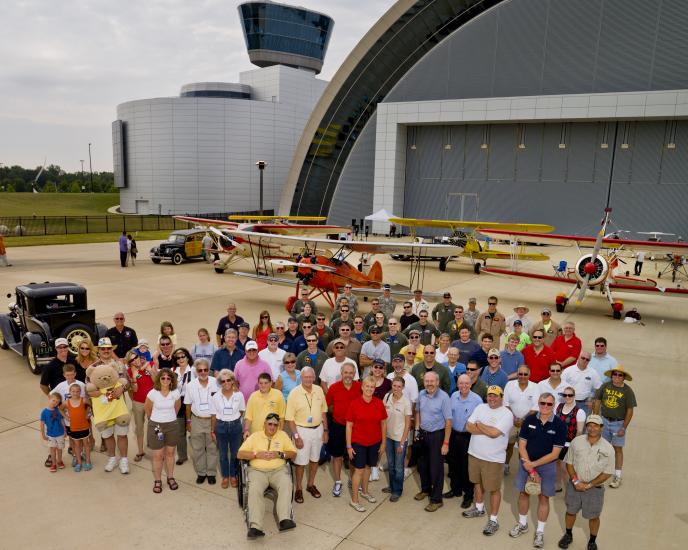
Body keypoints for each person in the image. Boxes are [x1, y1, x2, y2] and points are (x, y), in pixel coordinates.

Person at [508, 392, 566, 548]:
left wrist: (533, 466)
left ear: (553, 405)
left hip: (546, 467)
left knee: (544, 498)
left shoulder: (560, 425)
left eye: (549, 404)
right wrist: (530, 467)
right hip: (526, 463)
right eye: (542, 403)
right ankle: (522, 524)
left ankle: (540, 532)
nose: (545, 406)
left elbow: (555, 453)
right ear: (538, 403)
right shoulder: (530, 419)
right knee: (523, 493)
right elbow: (522, 445)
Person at [462, 386, 514, 536]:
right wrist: (487, 429)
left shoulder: (506, 414)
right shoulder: (480, 407)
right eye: (490, 396)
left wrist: (480, 425)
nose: (492, 399)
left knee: (493, 489)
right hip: (474, 454)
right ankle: (479, 508)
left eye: (495, 396)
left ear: (501, 397)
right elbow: (468, 427)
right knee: (477, 482)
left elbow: (494, 433)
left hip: (493, 459)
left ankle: (493, 520)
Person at [557, 415, 614, 550]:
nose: (592, 428)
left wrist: (589, 485)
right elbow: (569, 463)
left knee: (594, 516)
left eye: (596, 425)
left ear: (601, 427)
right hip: (575, 485)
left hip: (595, 488)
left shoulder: (608, 448)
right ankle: (568, 535)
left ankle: (592, 541)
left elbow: (607, 473)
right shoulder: (576, 442)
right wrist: (576, 482)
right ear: (586, 426)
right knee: (570, 511)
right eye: (590, 425)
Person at [237, 413, 298, 539]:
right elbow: (240, 454)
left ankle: (285, 519)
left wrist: (280, 454)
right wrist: (255, 455)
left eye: (275, 425)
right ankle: (255, 527)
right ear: (264, 424)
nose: (272, 427)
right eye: (270, 424)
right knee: (254, 489)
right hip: (257, 471)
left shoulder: (283, 435)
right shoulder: (255, 436)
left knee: (286, 483)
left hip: (278, 470)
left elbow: (293, 453)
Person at [285, 367, 328, 503]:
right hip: (301, 430)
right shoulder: (294, 393)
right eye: (305, 377)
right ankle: (298, 488)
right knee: (300, 463)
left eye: (310, 377)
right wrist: (296, 437)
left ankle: (310, 485)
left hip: (318, 430)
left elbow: (323, 412)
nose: (308, 379)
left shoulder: (319, 390)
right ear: (301, 378)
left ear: (314, 377)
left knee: (315, 460)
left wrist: (326, 430)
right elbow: (290, 418)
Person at [346, 376, 387, 512]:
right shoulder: (355, 403)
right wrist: (349, 446)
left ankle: (365, 492)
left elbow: (383, 423)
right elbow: (349, 426)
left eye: (372, 387)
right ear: (362, 387)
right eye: (367, 386)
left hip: (374, 442)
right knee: (359, 470)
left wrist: (383, 443)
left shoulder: (379, 403)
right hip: (358, 442)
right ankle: (354, 500)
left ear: (374, 389)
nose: (369, 389)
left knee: (369, 467)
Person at [414, 371, 452, 512]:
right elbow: (418, 412)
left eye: (432, 381)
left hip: (437, 436)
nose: (429, 384)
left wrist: (446, 443)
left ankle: (436, 499)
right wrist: (417, 430)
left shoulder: (444, 397)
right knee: (422, 465)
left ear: (437, 382)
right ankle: (425, 490)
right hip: (423, 434)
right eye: (427, 381)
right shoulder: (422, 394)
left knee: (436, 468)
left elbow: (449, 421)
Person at [593, 365, 637, 489]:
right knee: (601, 448)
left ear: (623, 378)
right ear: (612, 375)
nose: (617, 377)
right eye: (615, 374)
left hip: (618, 423)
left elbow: (630, 410)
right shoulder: (605, 386)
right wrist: (595, 418)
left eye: (620, 375)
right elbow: (597, 400)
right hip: (604, 421)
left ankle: (617, 475)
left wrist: (624, 427)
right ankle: (599, 475)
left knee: (617, 449)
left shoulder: (627, 391)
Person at [445, 374, 483, 508]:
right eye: (461, 383)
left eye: (467, 383)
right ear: (457, 384)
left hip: (468, 437)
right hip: (454, 435)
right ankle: (455, 489)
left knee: (467, 467)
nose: (464, 386)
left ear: (471, 384)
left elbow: (480, 421)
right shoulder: (453, 396)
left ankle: (468, 495)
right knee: (453, 464)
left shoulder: (477, 400)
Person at [325, 362, 362, 497]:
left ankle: (353, 479)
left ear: (354, 374)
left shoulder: (359, 387)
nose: (348, 375)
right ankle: (338, 481)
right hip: (338, 426)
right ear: (341, 373)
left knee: (354, 456)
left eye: (351, 373)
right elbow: (327, 406)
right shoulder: (334, 388)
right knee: (337, 456)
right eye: (346, 372)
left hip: (355, 427)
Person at [145, 368, 181, 493]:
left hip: (172, 425)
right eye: (163, 378)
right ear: (159, 379)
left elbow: (177, 407)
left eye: (168, 378)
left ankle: (170, 477)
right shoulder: (153, 393)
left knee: (170, 454)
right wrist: (156, 420)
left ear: (171, 381)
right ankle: (158, 480)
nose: (165, 380)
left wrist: (169, 418)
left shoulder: (175, 393)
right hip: (157, 426)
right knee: (158, 455)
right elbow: (147, 409)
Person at [185, 358, 219, 484]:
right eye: (200, 370)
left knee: (212, 448)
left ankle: (211, 473)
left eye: (205, 370)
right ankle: (201, 472)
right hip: (197, 420)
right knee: (198, 448)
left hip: (212, 420)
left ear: (208, 370)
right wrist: (188, 422)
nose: (203, 372)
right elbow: (188, 405)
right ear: (196, 371)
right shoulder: (190, 385)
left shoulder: (216, 382)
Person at [210, 369, 245, 488]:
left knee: (235, 454)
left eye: (228, 380)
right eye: (223, 381)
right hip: (220, 426)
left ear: (232, 380)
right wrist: (212, 430)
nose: (226, 383)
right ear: (220, 382)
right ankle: (225, 476)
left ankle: (233, 475)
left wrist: (233, 419)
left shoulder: (239, 395)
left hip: (235, 426)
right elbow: (213, 415)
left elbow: (241, 411)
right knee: (223, 454)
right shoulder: (215, 396)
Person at [503, 366, 541, 473]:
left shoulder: (536, 387)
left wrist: (523, 419)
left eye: (525, 374)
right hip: (511, 421)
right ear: (517, 374)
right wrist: (515, 419)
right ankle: (506, 465)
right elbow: (506, 404)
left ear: (529, 375)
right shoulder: (509, 385)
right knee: (508, 445)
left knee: (523, 447)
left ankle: (522, 469)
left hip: (528, 423)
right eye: (520, 374)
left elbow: (535, 407)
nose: (522, 376)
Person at [382, 376, 412, 501]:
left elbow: (408, 424)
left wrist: (401, 443)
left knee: (399, 466)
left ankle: (397, 491)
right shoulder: (387, 397)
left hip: (399, 439)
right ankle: (392, 485)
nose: (396, 388)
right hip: (388, 437)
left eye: (399, 386)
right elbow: (383, 418)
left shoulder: (406, 402)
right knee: (391, 464)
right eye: (394, 385)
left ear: (403, 387)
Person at [126, 349, 157, 463]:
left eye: (136, 357)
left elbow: (156, 382)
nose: (135, 360)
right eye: (132, 360)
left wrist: (151, 371)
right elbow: (135, 390)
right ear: (129, 363)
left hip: (152, 401)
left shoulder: (150, 364)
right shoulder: (129, 371)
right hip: (138, 402)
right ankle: (140, 451)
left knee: (154, 426)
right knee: (139, 428)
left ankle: (155, 451)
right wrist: (134, 377)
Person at [555, 386, 586, 491]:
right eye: (565, 395)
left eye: (570, 395)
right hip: (557, 442)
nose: (567, 397)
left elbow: (580, 431)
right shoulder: (558, 407)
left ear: (574, 396)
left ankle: (570, 490)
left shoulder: (579, 412)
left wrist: (574, 447)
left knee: (565, 468)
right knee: (557, 464)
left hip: (569, 444)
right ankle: (558, 485)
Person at [171, 347, 195, 465]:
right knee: (180, 432)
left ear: (187, 357)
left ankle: (199, 455)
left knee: (195, 431)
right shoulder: (172, 371)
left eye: (182, 356)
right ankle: (182, 455)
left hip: (192, 403)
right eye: (178, 357)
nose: (180, 359)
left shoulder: (194, 371)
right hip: (178, 403)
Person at [61, 382, 92, 472]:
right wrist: (66, 417)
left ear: (80, 392)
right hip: (74, 428)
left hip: (84, 426)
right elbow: (60, 409)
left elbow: (90, 405)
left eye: (77, 391)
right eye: (73, 391)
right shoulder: (66, 402)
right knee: (77, 446)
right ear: (69, 392)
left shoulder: (84, 400)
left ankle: (88, 461)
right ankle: (79, 463)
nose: (75, 393)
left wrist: (87, 413)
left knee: (86, 444)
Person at [560, 351, 601, 416]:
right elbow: (560, 386)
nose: (585, 360)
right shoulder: (568, 371)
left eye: (587, 359)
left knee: (583, 425)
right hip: (569, 402)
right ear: (578, 358)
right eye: (583, 358)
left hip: (585, 405)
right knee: (568, 424)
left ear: (589, 361)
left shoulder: (593, 373)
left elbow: (599, 388)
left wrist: (592, 400)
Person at [40, 393, 65, 473]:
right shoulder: (44, 412)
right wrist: (43, 434)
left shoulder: (58, 410)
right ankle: (53, 464)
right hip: (50, 435)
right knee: (52, 449)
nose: (55, 403)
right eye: (53, 400)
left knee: (60, 449)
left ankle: (60, 461)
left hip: (60, 434)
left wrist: (65, 430)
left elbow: (62, 420)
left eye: (57, 402)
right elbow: (42, 424)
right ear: (49, 399)